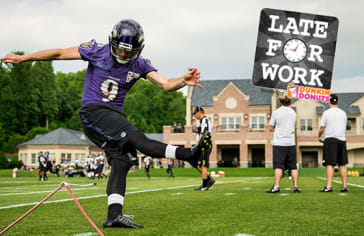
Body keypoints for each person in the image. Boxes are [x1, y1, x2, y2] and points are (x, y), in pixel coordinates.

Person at [1, 19, 211, 229]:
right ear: (112, 43)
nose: (122, 54)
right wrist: (24, 58)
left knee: (123, 160)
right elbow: (58, 53)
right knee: (136, 138)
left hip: (112, 118)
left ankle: (114, 215)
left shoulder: (139, 64)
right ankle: (188, 155)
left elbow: (165, 84)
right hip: (93, 112)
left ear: (137, 50)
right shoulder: (96, 50)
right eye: (119, 49)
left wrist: (183, 81)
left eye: (128, 51)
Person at [266, 95, 300, 194]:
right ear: (289, 102)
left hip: (279, 143)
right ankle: (296, 187)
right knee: (293, 166)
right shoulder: (293, 113)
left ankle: (276, 187)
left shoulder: (276, 112)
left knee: (278, 166)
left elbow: (271, 127)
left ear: (280, 102)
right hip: (291, 143)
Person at [318, 94, 348, 193]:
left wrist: (319, 136)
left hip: (330, 139)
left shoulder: (326, 113)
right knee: (342, 164)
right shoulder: (343, 113)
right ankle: (344, 186)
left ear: (329, 101)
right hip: (342, 139)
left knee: (330, 164)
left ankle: (329, 186)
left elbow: (322, 127)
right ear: (337, 102)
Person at [193, 106, 215, 191]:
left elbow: (203, 133)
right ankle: (209, 180)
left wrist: (197, 144)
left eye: (195, 113)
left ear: (200, 113)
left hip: (204, 144)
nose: (195, 115)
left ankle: (205, 185)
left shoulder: (204, 120)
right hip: (203, 145)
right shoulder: (202, 121)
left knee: (203, 165)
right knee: (197, 165)